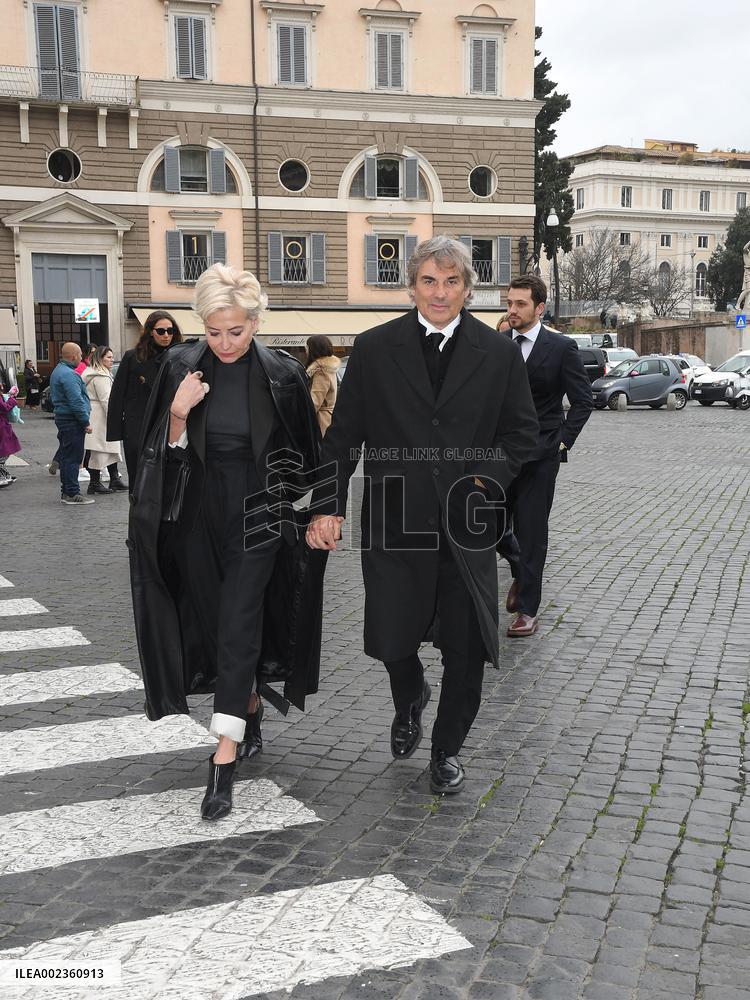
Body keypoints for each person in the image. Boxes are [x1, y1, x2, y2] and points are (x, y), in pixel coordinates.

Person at [306, 236, 538, 795]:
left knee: (467, 647)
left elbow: (521, 436)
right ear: (411, 286)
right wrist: (327, 508)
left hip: (467, 525)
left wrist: (483, 482)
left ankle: (446, 749)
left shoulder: (498, 353)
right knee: (393, 637)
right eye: (430, 281)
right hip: (394, 519)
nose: (440, 292)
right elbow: (343, 440)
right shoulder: (374, 348)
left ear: (467, 289)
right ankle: (410, 693)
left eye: (452, 281)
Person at [128, 264, 325, 821]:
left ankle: (224, 755)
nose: (224, 342)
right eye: (214, 331)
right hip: (197, 515)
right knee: (217, 622)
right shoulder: (178, 365)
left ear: (256, 322)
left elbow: (311, 455)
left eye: (235, 330)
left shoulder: (283, 375)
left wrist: (315, 513)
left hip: (260, 515)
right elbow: (158, 456)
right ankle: (251, 700)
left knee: (239, 619)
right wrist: (177, 412)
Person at [503, 275, 593, 637]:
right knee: (488, 525)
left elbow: (583, 401)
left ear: (539, 308)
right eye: (509, 303)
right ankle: (519, 570)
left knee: (532, 532)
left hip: (541, 455)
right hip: (498, 454)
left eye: (520, 304)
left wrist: (562, 443)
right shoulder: (495, 345)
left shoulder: (561, 347)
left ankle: (527, 609)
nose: (512, 310)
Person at [107, 311, 183, 487]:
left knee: (168, 480)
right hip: (138, 427)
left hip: (170, 427)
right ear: (150, 331)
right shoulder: (133, 357)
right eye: (161, 331)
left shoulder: (180, 357)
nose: (166, 335)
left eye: (170, 331)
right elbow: (118, 395)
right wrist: (116, 432)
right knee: (139, 479)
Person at [49, 342, 94, 505]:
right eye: (81, 355)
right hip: (71, 420)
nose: (81, 358)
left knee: (67, 456)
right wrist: (85, 421)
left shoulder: (58, 371)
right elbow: (76, 401)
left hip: (63, 418)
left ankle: (66, 492)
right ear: (74, 356)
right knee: (73, 458)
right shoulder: (69, 374)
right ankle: (72, 493)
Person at [82, 346, 128, 495]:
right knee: (99, 449)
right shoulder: (100, 376)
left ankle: (114, 479)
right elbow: (106, 400)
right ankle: (95, 483)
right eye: (108, 357)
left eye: (112, 356)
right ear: (100, 358)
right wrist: (115, 418)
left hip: (96, 413)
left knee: (107, 447)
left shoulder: (94, 373)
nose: (112, 359)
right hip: (100, 415)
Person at [305, 334, 340, 435]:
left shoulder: (321, 370)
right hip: (326, 417)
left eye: (307, 347)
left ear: (314, 349)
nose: (306, 350)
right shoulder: (327, 368)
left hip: (321, 420)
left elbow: (315, 401)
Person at [0, 385, 21, 488]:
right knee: (4, 451)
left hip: (2, 424)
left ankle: (5, 475)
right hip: (1, 425)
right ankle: (2, 476)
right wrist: (12, 398)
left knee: (5, 450)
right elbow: (4, 407)